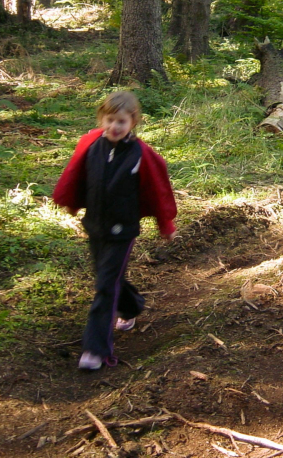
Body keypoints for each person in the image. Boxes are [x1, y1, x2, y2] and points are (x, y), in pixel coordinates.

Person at [53, 91, 177, 370]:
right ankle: (131, 306)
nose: (114, 127)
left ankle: (95, 350)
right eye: (110, 120)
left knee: (105, 286)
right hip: (95, 225)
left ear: (132, 122)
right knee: (107, 277)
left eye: (121, 121)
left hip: (123, 230)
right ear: (102, 119)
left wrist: (165, 224)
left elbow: (158, 190)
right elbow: (78, 176)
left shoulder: (140, 154)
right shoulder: (90, 145)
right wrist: (72, 204)